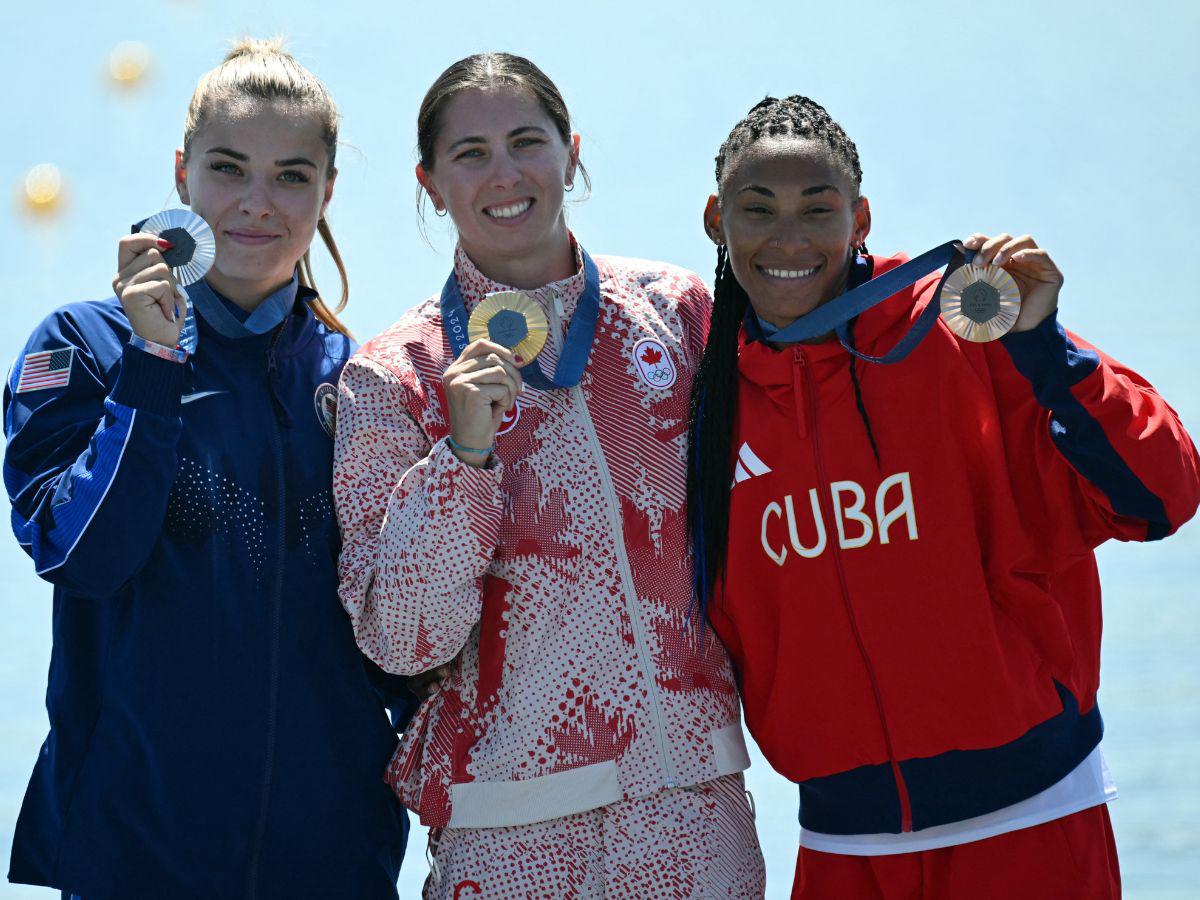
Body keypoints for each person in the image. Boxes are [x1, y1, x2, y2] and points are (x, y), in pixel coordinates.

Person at [686, 94, 1200, 899]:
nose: (789, 239)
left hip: (1031, 823)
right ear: (717, 220)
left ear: (860, 220)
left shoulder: (962, 330)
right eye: (758, 209)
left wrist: (1045, 346)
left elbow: (1161, 495)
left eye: (818, 209)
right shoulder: (705, 394)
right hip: (843, 844)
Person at [334, 53, 766, 899]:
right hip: (509, 834)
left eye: (526, 142)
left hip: (694, 812)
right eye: (470, 154)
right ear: (430, 185)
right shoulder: (393, 375)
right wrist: (462, 462)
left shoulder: (678, 311)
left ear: (572, 154)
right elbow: (404, 639)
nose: (505, 173)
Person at [4, 39, 410, 899]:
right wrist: (153, 365)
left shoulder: (366, 382)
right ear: (182, 173)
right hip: (132, 860)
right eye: (229, 168)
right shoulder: (82, 344)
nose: (258, 202)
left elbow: (401, 637)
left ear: (328, 191)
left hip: (333, 864)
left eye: (292, 176)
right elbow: (83, 557)